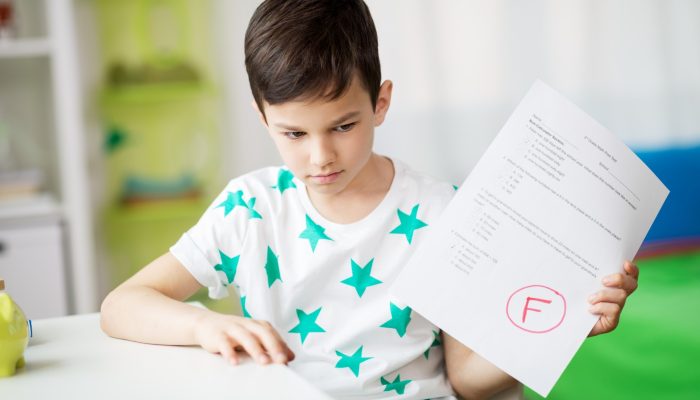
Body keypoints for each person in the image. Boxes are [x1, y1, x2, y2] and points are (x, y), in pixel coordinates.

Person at [100, 1, 640, 398]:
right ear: (261, 116)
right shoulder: (249, 209)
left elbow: (468, 383)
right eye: (293, 134)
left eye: (343, 125)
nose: (320, 157)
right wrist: (203, 325)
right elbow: (121, 306)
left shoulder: (442, 214)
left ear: (381, 102)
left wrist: (559, 332)